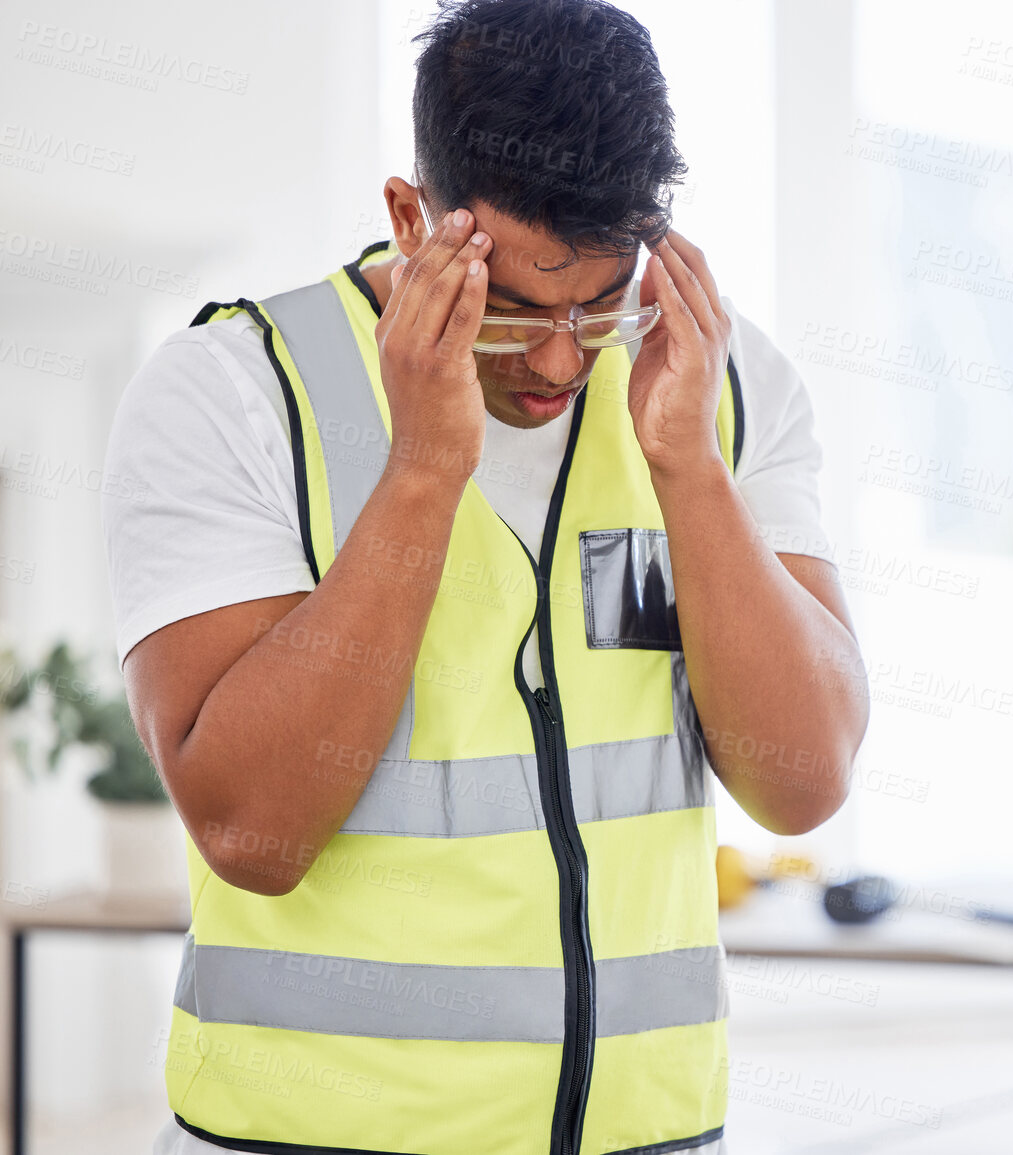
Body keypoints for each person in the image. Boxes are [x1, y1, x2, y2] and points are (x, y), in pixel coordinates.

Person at [99, 2, 869, 1152]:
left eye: (602, 300)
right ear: (413, 219)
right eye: (516, 310)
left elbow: (802, 782)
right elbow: (252, 833)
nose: (562, 362)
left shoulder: (723, 385)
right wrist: (422, 470)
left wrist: (689, 472)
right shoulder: (235, 392)